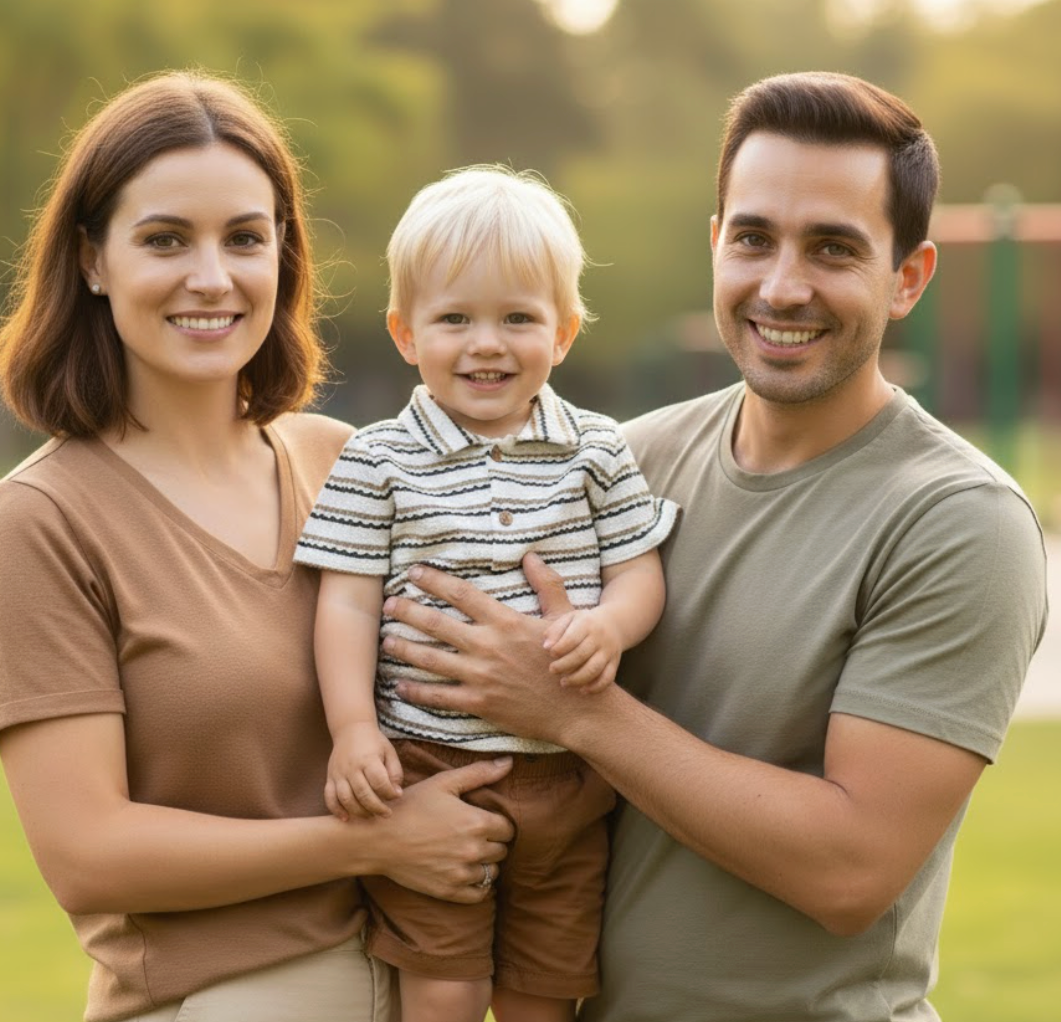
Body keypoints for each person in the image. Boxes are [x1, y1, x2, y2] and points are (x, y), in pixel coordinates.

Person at [375, 72, 1050, 1021]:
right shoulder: (623, 462)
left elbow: (851, 871)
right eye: (754, 238)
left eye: (833, 248)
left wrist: (574, 710)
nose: (782, 285)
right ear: (715, 245)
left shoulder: (956, 521)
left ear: (907, 278)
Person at [0, 71, 516, 1022]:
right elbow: (87, 853)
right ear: (94, 261)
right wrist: (370, 844)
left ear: (283, 257)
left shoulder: (349, 464)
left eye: (245, 239)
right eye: (166, 239)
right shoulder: (40, 522)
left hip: (425, 976)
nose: (211, 277)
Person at [293, 166, 677, 1022]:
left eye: (518, 318)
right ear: (404, 332)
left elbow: (636, 568)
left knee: (547, 988)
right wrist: (354, 727)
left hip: (569, 775)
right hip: (428, 766)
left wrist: (610, 626)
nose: (487, 345)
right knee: (444, 990)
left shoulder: (596, 450)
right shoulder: (377, 459)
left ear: (565, 332)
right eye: (454, 319)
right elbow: (347, 602)